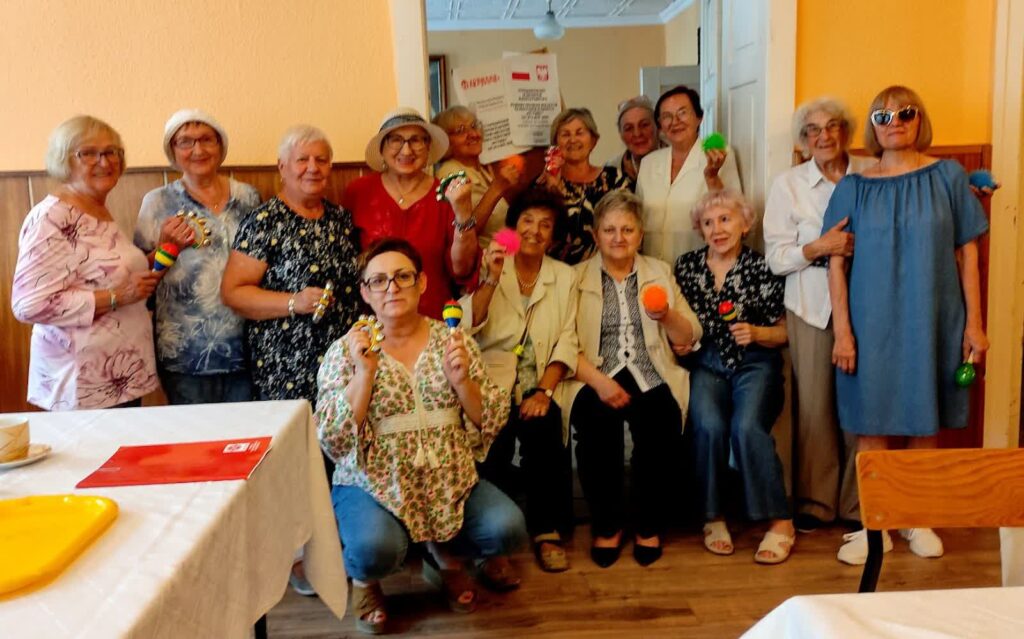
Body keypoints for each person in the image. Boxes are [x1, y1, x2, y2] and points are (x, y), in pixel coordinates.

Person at [317, 238, 525, 634]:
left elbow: (491, 420)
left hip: (450, 481)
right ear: (365, 292)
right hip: (374, 485)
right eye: (378, 281)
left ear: (422, 283)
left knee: (508, 529)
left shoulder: (453, 341)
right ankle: (365, 579)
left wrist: (462, 383)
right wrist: (364, 374)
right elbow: (334, 440)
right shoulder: (347, 350)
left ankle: (445, 556)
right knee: (375, 548)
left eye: (403, 277)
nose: (392, 288)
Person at [824, 85, 989, 565]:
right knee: (869, 422)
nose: (894, 121)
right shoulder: (852, 188)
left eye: (905, 112)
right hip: (869, 321)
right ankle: (874, 527)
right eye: (883, 115)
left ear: (920, 119)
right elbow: (835, 262)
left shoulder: (949, 177)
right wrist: (843, 332)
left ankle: (918, 519)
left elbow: (968, 254)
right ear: (872, 126)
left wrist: (975, 326)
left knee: (924, 417)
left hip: (933, 315)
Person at [566, 190, 701, 567]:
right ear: (596, 235)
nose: (618, 237)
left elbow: (690, 333)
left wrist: (666, 316)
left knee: (662, 425)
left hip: (650, 369)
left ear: (640, 235)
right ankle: (608, 525)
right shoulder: (575, 277)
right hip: (595, 372)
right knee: (595, 431)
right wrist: (599, 382)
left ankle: (648, 524)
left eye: (627, 229)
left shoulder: (660, 271)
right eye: (609, 230)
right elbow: (563, 342)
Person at [762, 98, 877, 532]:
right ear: (803, 139)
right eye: (813, 130)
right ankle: (816, 502)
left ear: (846, 131)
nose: (824, 136)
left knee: (862, 402)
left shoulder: (872, 173)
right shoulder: (788, 185)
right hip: (809, 305)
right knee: (814, 405)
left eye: (832, 126)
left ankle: (857, 503)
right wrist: (818, 248)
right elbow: (776, 258)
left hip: (867, 303)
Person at [461, 191, 579, 573]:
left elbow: (567, 338)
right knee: (490, 443)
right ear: (513, 227)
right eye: (527, 221)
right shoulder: (490, 262)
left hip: (539, 378)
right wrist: (491, 278)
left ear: (554, 237)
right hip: (490, 380)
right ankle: (491, 542)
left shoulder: (565, 276)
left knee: (545, 429)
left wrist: (544, 391)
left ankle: (546, 531)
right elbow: (468, 325)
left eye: (546, 225)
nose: (535, 231)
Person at [675, 190, 794, 564]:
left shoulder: (763, 267)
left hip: (755, 361)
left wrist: (757, 333)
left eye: (725, 219)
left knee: (746, 427)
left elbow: (785, 332)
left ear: (745, 224)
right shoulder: (686, 267)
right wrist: (679, 342)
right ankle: (713, 517)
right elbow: (676, 323)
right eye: (708, 223)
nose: (717, 229)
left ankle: (780, 521)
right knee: (708, 426)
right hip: (706, 362)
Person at [12, 115, 160, 410]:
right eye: (89, 153)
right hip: (81, 385)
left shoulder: (94, 209)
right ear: (64, 160)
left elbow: (105, 274)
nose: (104, 162)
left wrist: (163, 251)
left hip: (119, 378)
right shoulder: (52, 217)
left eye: (111, 152)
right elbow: (30, 304)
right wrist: (119, 296)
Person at [221, 125, 361, 404]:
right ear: (282, 167)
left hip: (342, 364)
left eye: (321, 160)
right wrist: (294, 302)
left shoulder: (341, 219)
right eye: (302, 160)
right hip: (286, 368)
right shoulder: (263, 222)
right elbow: (233, 293)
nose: (313, 168)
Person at [134, 109, 260, 404]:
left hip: (245, 346)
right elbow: (141, 280)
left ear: (220, 146)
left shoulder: (248, 197)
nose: (198, 150)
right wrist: (165, 247)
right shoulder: (157, 202)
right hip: (185, 353)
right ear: (173, 151)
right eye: (186, 142)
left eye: (206, 140)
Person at [345, 107, 478, 320]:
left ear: (428, 147)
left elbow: (462, 270)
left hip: (433, 319)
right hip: (375, 321)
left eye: (416, 140)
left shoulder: (446, 194)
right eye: (396, 140)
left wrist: (463, 212)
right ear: (382, 148)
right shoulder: (359, 192)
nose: (406, 151)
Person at [637, 85, 742, 263]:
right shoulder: (649, 163)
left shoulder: (719, 155)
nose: (675, 121)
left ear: (699, 117)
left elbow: (733, 212)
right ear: (660, 125)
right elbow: (638, 218)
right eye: (667, 116)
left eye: (682, 113)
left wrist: (712, 176)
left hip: (698, 266)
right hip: (653, 266)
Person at [537, 107, 630, 265]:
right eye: (565, 134)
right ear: (555, 143)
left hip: (607, 268)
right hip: (555, 272)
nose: (573, 140)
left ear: (593, 141)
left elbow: (628, 227)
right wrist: (553, 188)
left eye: (579, 133)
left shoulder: (615, 178)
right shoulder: (541, 184)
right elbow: (539, 232)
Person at [434, 105, 523, 248]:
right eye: (460, 130)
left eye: (474, 126)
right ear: (446, 142)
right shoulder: (450, 173)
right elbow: (464, 233)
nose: (473, 134)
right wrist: (497, 188)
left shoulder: (482, 170)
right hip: (484, 258)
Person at [606, 96, 660, 184]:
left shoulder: (677, 161)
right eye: (628, 128)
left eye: (644, 125)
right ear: (621, 134)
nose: (637, 133)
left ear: (658, 126)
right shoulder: (611, 171)